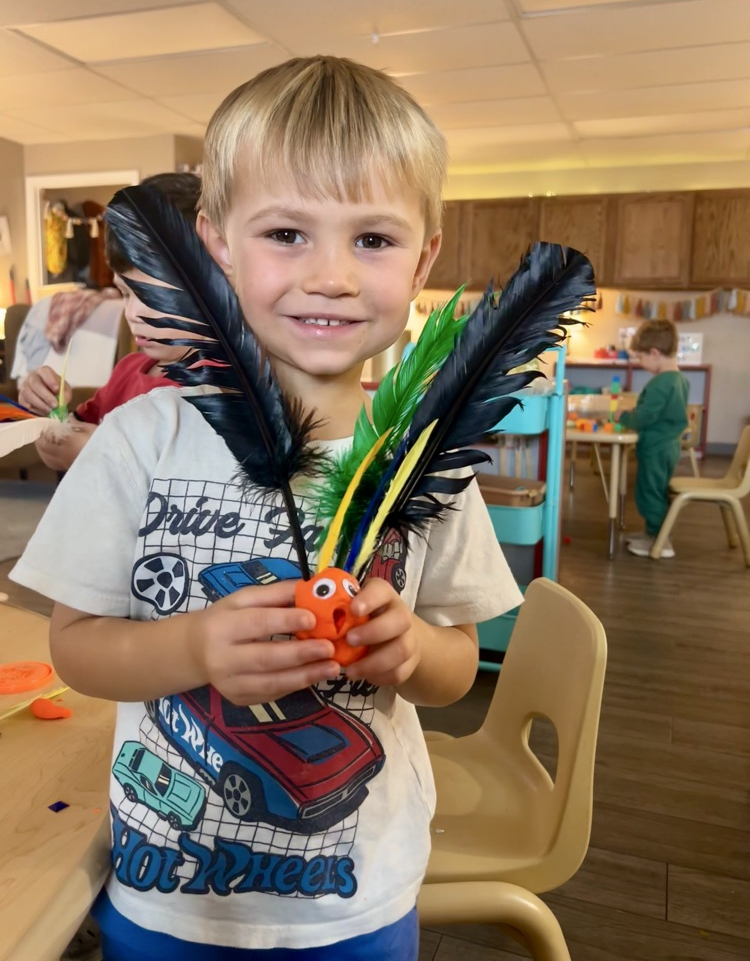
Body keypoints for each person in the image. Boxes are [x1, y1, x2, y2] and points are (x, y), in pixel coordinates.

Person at [11, 56, 522, 960]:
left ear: (425, 258)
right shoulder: (136, 442)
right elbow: (75, 647)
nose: (330, 276)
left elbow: (457, 667)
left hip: (357, 904)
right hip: (167, 900)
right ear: (216, 246)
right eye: (287, 232)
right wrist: (196, 647)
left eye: (373, 240)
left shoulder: (425, 464)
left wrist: (410, 648)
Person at [17, 172, 201, 471]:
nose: (133, 313)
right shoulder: (127, 372)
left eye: (151, 294)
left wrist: (99, 450)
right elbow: (58, 452)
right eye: (126, 293)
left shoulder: (226, 390)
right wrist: (48, 410)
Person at [616, 319, 689, 558]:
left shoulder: (660, 383)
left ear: (655, 353)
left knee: (650, 493)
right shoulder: (680, 379)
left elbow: (644, 417)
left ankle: (660, 541)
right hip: (668, 446)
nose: (639, 362)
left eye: (640, 357)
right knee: (657, 490)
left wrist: (623, 416)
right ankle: (652, 533)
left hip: (656, 447)